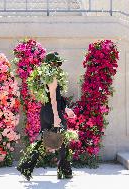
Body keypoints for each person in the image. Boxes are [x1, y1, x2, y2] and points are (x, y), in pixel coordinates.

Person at [16, 52, 76, 180]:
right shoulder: (52, 78)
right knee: (63, 138)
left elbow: (52, 99)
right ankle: (65, 171)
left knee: (45, 139)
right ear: (51, 64)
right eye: (57, 63)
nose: (59, 66)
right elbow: (54, 99)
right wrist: (57, 117)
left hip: (45, 112)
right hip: (52, 112)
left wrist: (65, 109)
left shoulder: (43, 78)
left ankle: (26, 166)